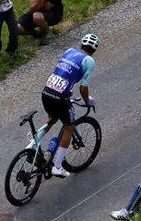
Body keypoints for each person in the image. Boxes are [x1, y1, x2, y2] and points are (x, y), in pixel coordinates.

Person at [37, 32, 98, 179]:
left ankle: (33, 144)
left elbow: (64, 73)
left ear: (81, 44)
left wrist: (67, 90)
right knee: (69, 126)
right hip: (60, 97)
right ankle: (57, 167)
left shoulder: (69, 51)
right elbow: (83, 88)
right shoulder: (89, 61)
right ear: (94, 50)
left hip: (47, 91)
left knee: (52, 117)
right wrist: (87, 101)